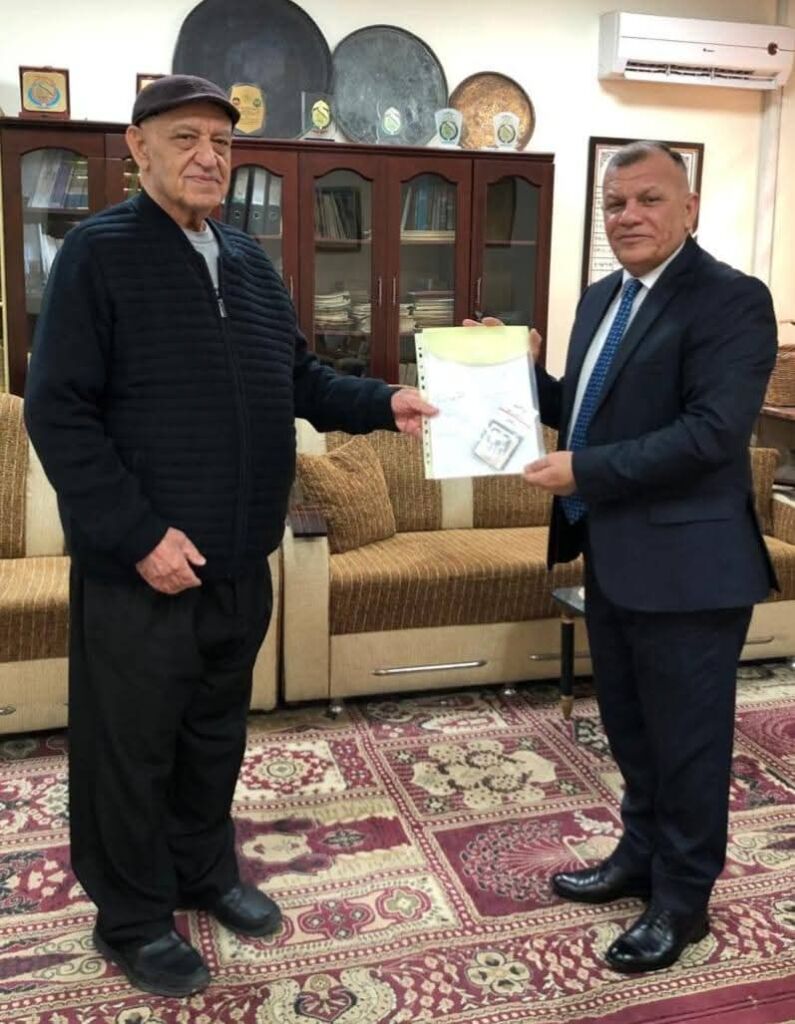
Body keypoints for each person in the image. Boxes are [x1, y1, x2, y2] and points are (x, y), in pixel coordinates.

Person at [24, 74, 435, 999]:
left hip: (240, 561)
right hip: (143, 570)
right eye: (185, 138)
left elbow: (298, 379)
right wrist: (139, 536)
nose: (208, 156)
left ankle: (202, 873)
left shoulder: (247, 260)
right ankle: (132, 916)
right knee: (131, 749)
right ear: (138, 147)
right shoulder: (98, 253)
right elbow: (59, 413)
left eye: (221, 140)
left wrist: (383, 400)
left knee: (213, 738)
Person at [472, 140, 778, 973]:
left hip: (691, 570)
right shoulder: (600, 297)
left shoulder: (731, 300)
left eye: (648, 199)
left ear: (688, 208)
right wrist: (516, 374)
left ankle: (682, 901)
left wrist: (584, 471)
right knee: (632, 733)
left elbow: (711, 435)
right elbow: (584, 413)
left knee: (687, 745)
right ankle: (638, 858)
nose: (628, 216)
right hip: (611, 557)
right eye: (614, 204)